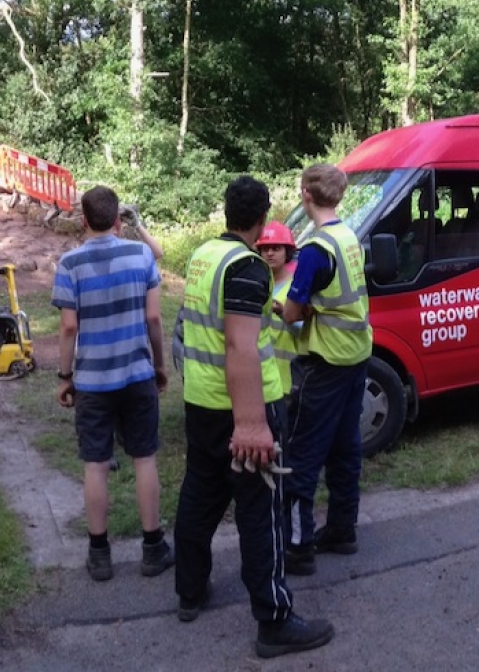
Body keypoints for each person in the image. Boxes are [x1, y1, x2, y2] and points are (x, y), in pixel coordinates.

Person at [173, 175, 334, 659]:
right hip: (241, 407)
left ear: (226, 213)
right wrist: (252, 425)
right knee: (261, 511)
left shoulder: (204, 255)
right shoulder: (246, 268)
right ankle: (275, 619)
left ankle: (189, 590)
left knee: (199, 496)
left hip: (202, 402)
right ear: (264, 221)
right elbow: (241, 346)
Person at [52, 185, 172, 582]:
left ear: (84, 220)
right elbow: (154, 320)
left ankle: (99, 553)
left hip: (92, 380)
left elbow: (69, 326)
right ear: (118, 220)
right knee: (144, 458)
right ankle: (153, 547)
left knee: (96, 465)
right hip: (137, 374)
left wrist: (65, 376)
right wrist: (158, 366)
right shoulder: (140, 255)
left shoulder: (69, 264)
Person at [276, 164, 371, 576]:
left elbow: (293, 311)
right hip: (357, 355)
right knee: (346, 448)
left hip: (326, 360)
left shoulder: (315, 248)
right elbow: (341, 296)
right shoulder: (349, 235)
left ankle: (298, 548)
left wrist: (287, 309)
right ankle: (342, 529)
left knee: (302, 452)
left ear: (305, 195)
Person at [257, 221, 299, 397]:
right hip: (260, 378)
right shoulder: (256, 285)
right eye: (265, 249)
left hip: (288, 381)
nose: (270, 253)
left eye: (276, 248)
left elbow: (306, 331)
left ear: (287, 252)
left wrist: (283, 313)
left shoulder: (297, 286)